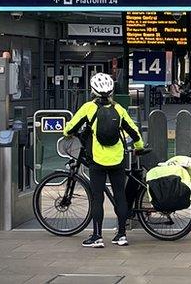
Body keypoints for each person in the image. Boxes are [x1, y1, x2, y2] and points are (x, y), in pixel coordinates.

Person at [63, 72, 144, 248]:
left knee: (97, 197)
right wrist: (139, 147)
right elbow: (134, 132)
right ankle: (121, 235)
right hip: (117, 158)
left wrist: (67, 133)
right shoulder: (119, 110)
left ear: (93, 90)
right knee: (120, 195)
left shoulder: (88, 108)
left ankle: (97, 236)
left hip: (97, 160)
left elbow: (70, 127)